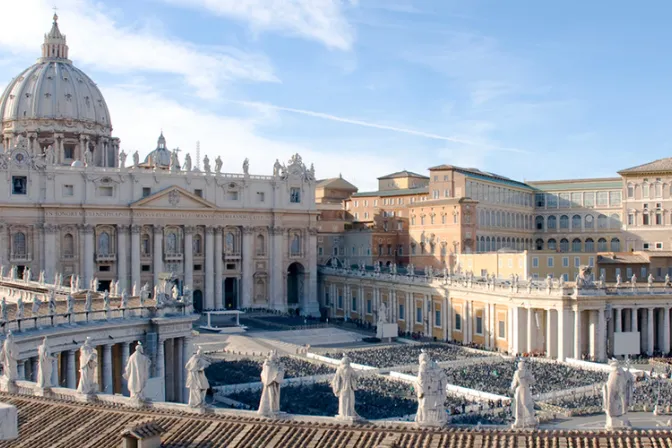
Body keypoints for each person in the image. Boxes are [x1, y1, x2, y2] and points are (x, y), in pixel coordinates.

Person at [331, 354, 360, 420]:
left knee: (343, 401)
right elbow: (355, 375)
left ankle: (343, 414)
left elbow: (336, 380)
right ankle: (349, 413)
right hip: (349, 387)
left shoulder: (339, 369)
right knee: (350, 401)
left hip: (342, 388)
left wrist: (336, 389)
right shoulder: (349, 368)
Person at [510, 360, 537, 429]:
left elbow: (514, 384)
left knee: (518, 406)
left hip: (519, 390)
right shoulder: (527, 372)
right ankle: (529, 420)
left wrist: (511, 389)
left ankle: (518, 420)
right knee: (527, 404)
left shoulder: (516, 373)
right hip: (525, 390)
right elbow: (533, 382)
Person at [258, 351, 284, 416]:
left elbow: (279, 377)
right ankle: (268, 410)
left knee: (274, 398)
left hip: (274, 385)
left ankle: (274, 409)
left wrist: (280, 369)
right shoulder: (267, 364)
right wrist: (277, 370)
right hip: (269, 386)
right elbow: (267, 377)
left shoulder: (276, 364)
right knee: (269, 397)